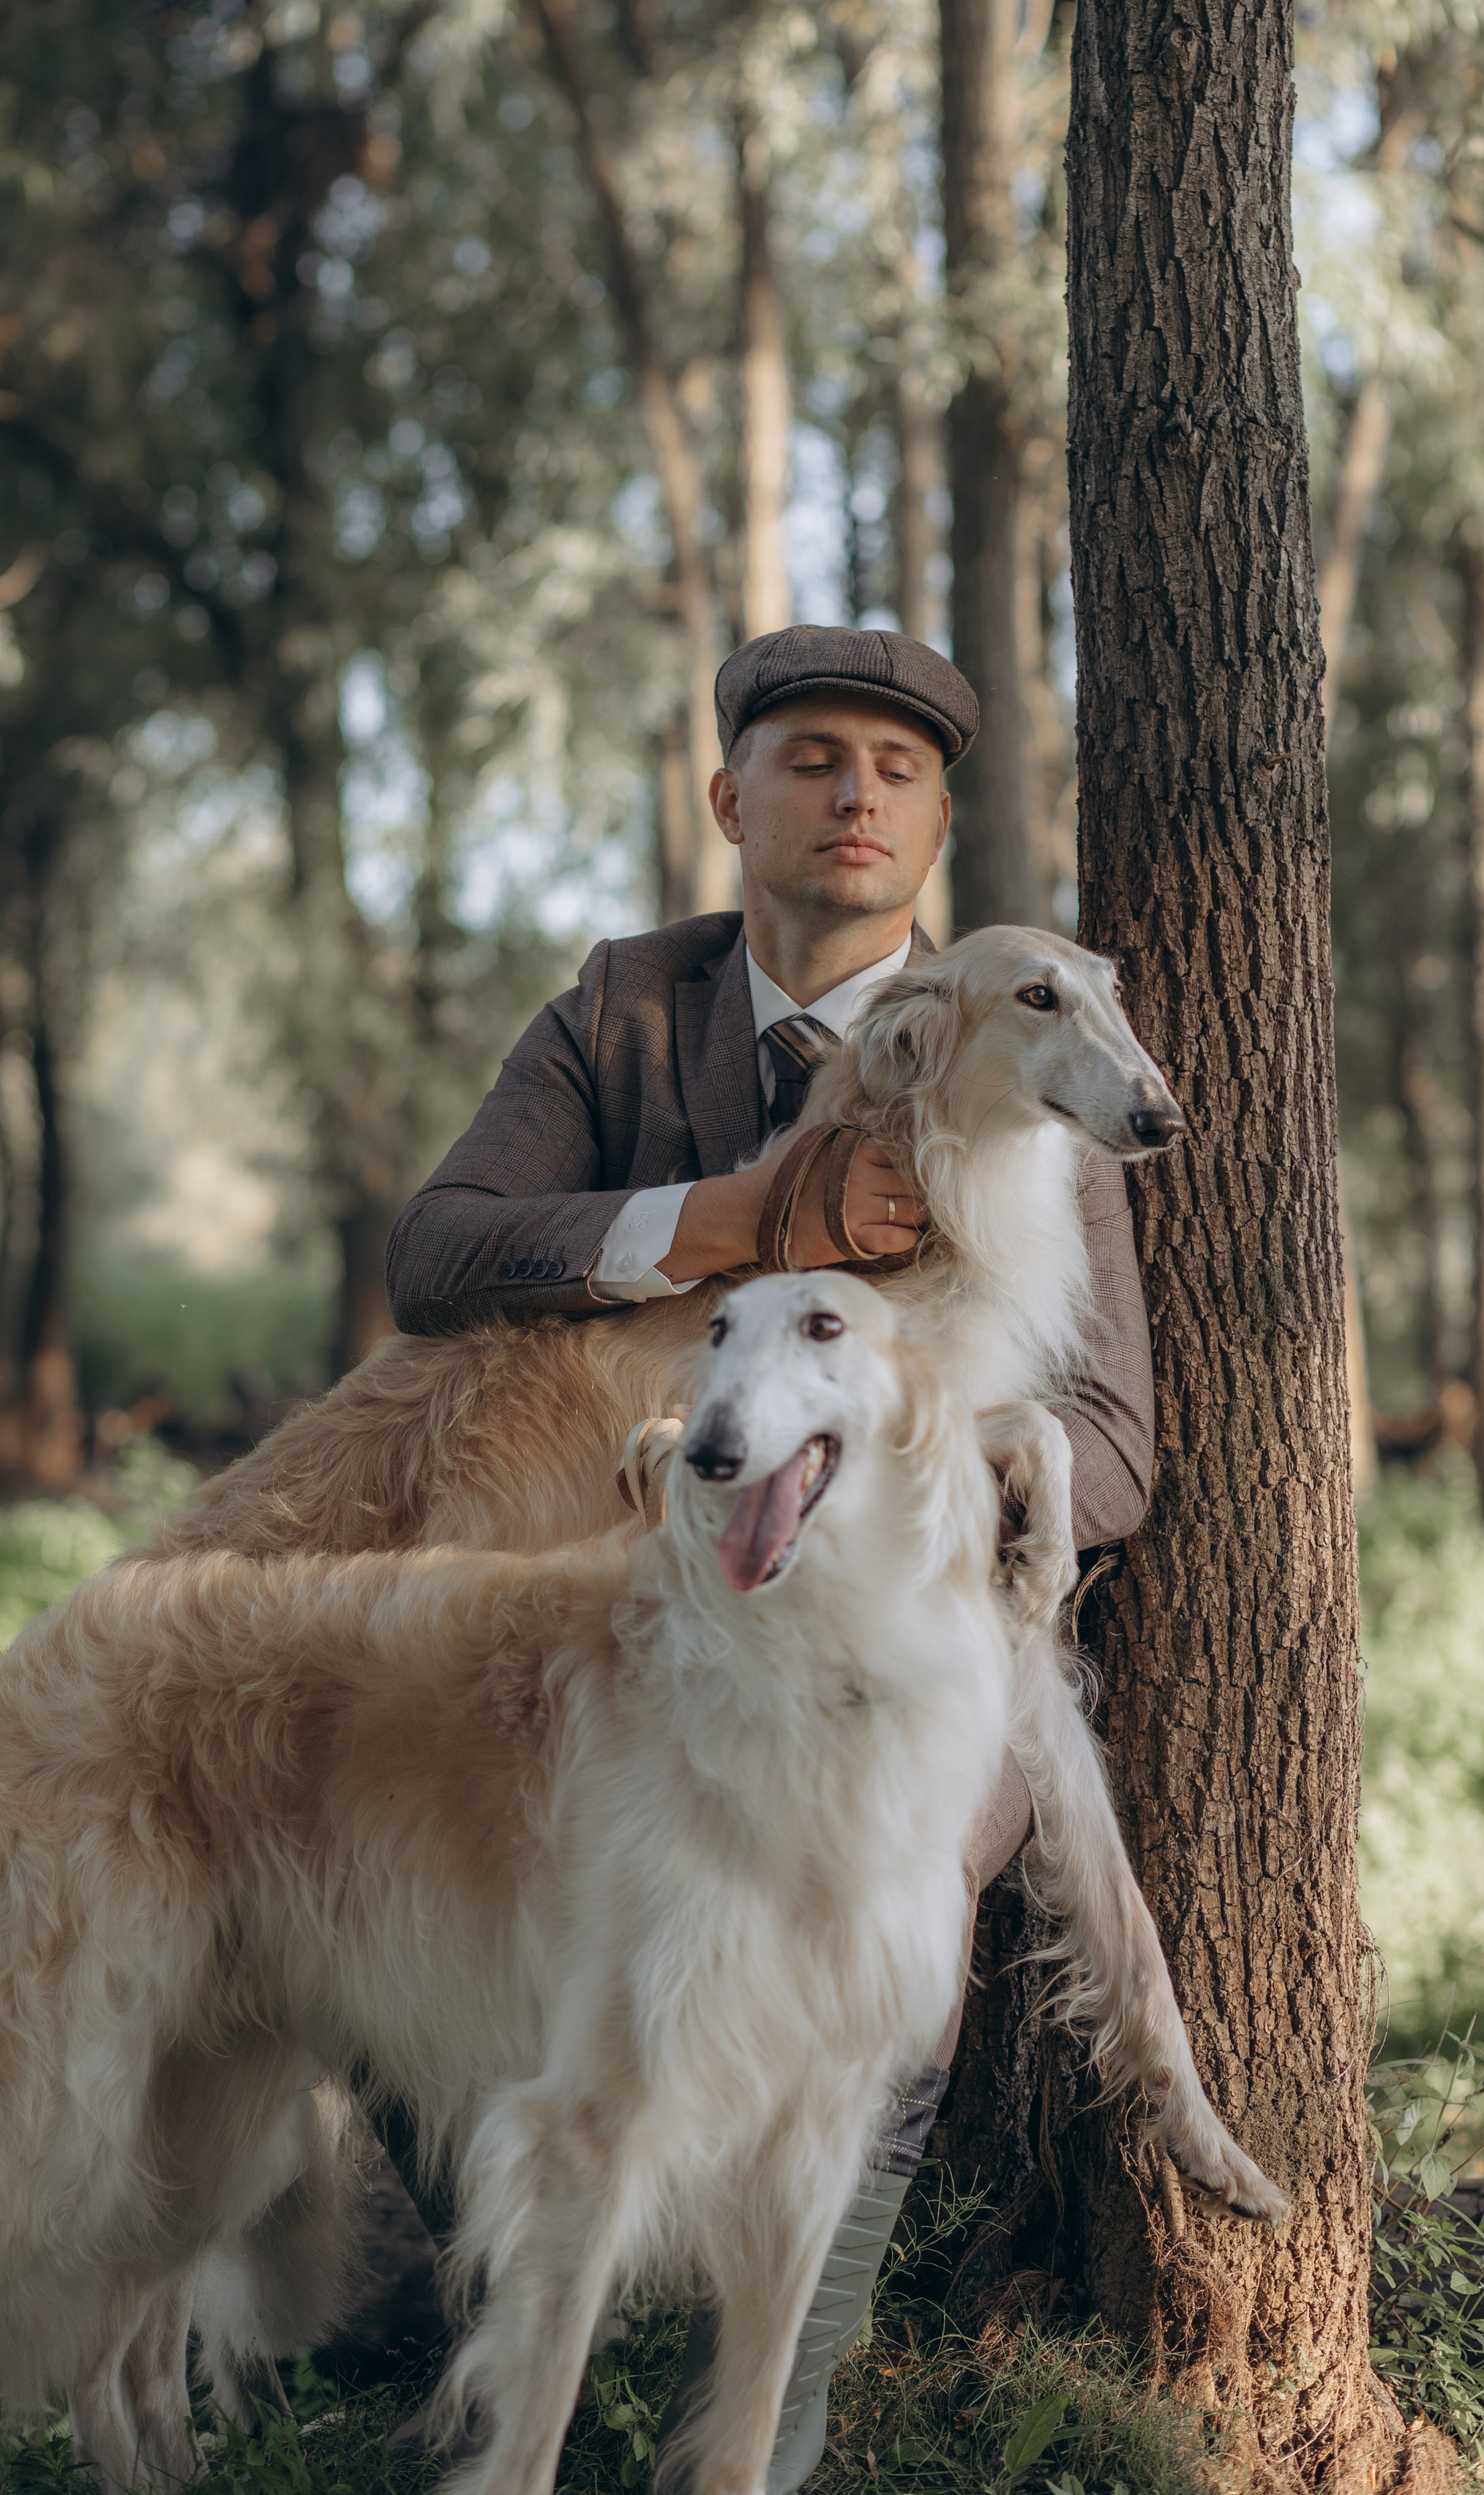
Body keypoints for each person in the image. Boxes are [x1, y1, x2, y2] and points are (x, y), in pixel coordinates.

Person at [387, 624, 1153, 2490]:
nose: (855, 792)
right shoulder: (624, 1011)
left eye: (895, 768)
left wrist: (908, 1494)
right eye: (810, 758)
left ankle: (756, 2436)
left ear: (937, 823)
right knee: (438, 1875)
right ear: (732, 802)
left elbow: (1119, 1449)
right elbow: (437, 1258)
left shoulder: (1037, 1046)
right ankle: (497, 2371)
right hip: (621, 1628)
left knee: (903, 1957)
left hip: (900, 1657)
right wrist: (729, 1216)